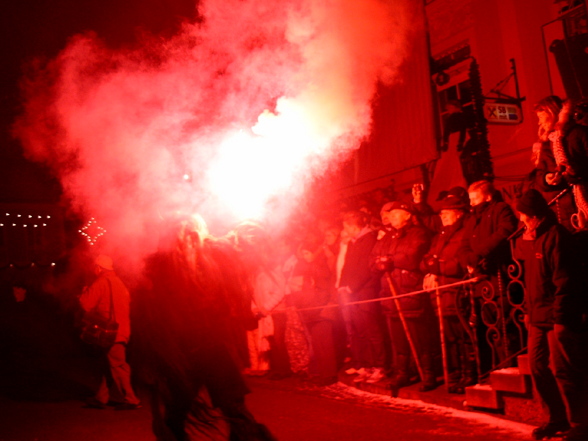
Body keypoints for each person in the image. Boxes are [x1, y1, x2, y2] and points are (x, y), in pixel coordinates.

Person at [136, 215, 275, 440]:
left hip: (199, 346)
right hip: (192, 348)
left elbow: (226, 299)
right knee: (191, 411)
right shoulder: (211, 259)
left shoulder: (210, 255)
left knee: (223, 409)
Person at [512, 190, 588, 441]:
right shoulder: (530, 238)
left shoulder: (557, 237)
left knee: (566, 370)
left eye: (523, 214)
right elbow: (531, 279)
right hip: (537, 315)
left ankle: (580, 422)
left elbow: (564, 282)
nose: (520, 219)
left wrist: (561, 319)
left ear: (534, 215)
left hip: (557, 317)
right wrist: (528, 311)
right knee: (537, 367)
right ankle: (556, 418)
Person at [371, 201, 437, 391]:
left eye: (396, 213)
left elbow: (413, 256)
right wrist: (379, 263)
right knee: (398, 340)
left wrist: (390, 261)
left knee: (420, 338)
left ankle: (428, 374)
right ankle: (403, 373)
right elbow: (372, 260)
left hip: (410, 292)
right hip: (390, 294)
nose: (391, 216)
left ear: (407, 215)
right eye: (389, 213)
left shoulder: (418, 233)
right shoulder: (386, 237)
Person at [459, 180, 518, 371]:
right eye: (471, 199)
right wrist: (468, 259)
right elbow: (465, 243)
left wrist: (481, 253)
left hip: (499, 276)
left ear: (488, 196)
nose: (472, 202)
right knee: (489, 326)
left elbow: (505, 230)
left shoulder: (501, 209)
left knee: (505, 324)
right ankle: (499, 365)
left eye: (475, 198)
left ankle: (511, 363)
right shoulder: (472, 219)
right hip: (481, 280)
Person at [422, 190, 476, 394]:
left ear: (459, 213)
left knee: (463, 336)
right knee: (449, 338)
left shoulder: (465, 233)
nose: (442, 215)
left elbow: (462, 262)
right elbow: (427, 259)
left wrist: (437, 268)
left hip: (457, 292)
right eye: (441, 212)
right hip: (441, 296)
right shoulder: (439, 236)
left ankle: (469, 374)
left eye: (447, 212)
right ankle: (454, 375)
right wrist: (429, 271)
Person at [79, 254, 141, 410]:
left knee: (118, 365)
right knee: (109, 364)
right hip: (123, 329)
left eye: (95, 266)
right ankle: (101, 398)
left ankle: (131, 399)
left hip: (110, 333)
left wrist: (84, 293)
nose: (94, 269)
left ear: (99, 268)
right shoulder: (120, 283)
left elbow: (86, 305)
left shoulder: (101, 282)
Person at [338, 211, 386, 384]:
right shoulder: (354, 242)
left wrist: (352, 286)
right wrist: (342, 284)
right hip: (352, 292)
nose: (345, 230)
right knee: (361, 330)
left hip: (365, 290)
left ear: (353, 226)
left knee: (372, 329)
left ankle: (380, 366)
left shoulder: (369, 240)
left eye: (346, 227)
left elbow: (366, 268)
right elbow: (347, 265)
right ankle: (367, 365)